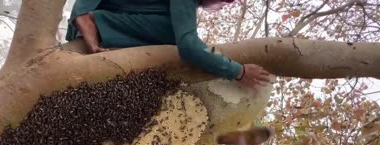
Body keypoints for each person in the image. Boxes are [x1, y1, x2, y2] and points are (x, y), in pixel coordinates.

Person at [66, 0, 271, 87]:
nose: (225, 5)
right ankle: (95, 21)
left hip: (100, 20)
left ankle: (94, 20)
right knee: (177, 35)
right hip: (98, 23)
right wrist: (238, 71)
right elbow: (189, 46)